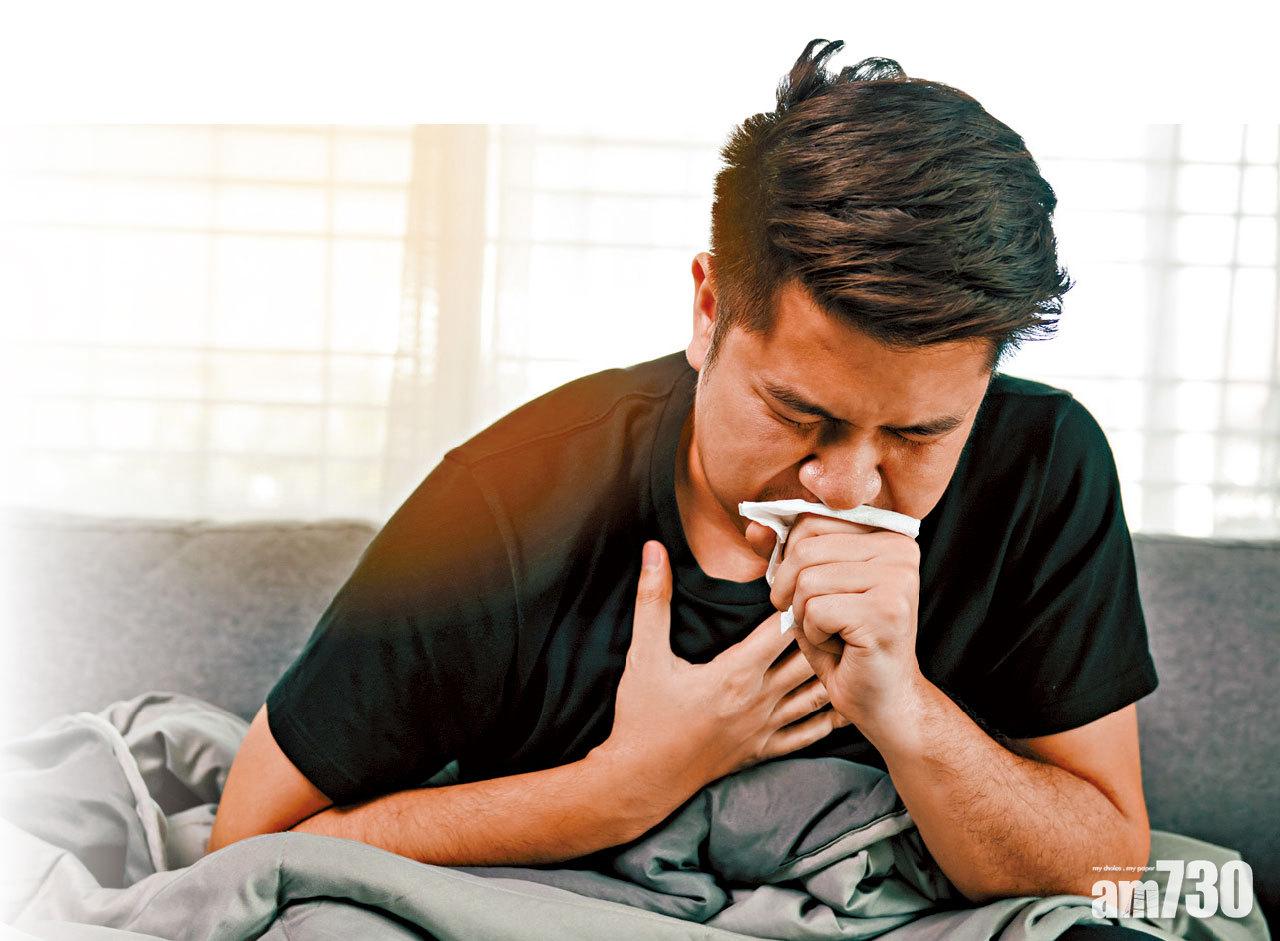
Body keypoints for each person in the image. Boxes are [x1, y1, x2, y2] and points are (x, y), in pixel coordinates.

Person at [207, 39, 1159, 911]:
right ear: (709, 312)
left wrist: (903, 708)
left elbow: (1112, 866)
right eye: (799, 414)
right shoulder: (508, 501)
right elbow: (242, 848)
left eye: (917, 434)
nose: (847, 486)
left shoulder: (1044, 463)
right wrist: (618, 789)